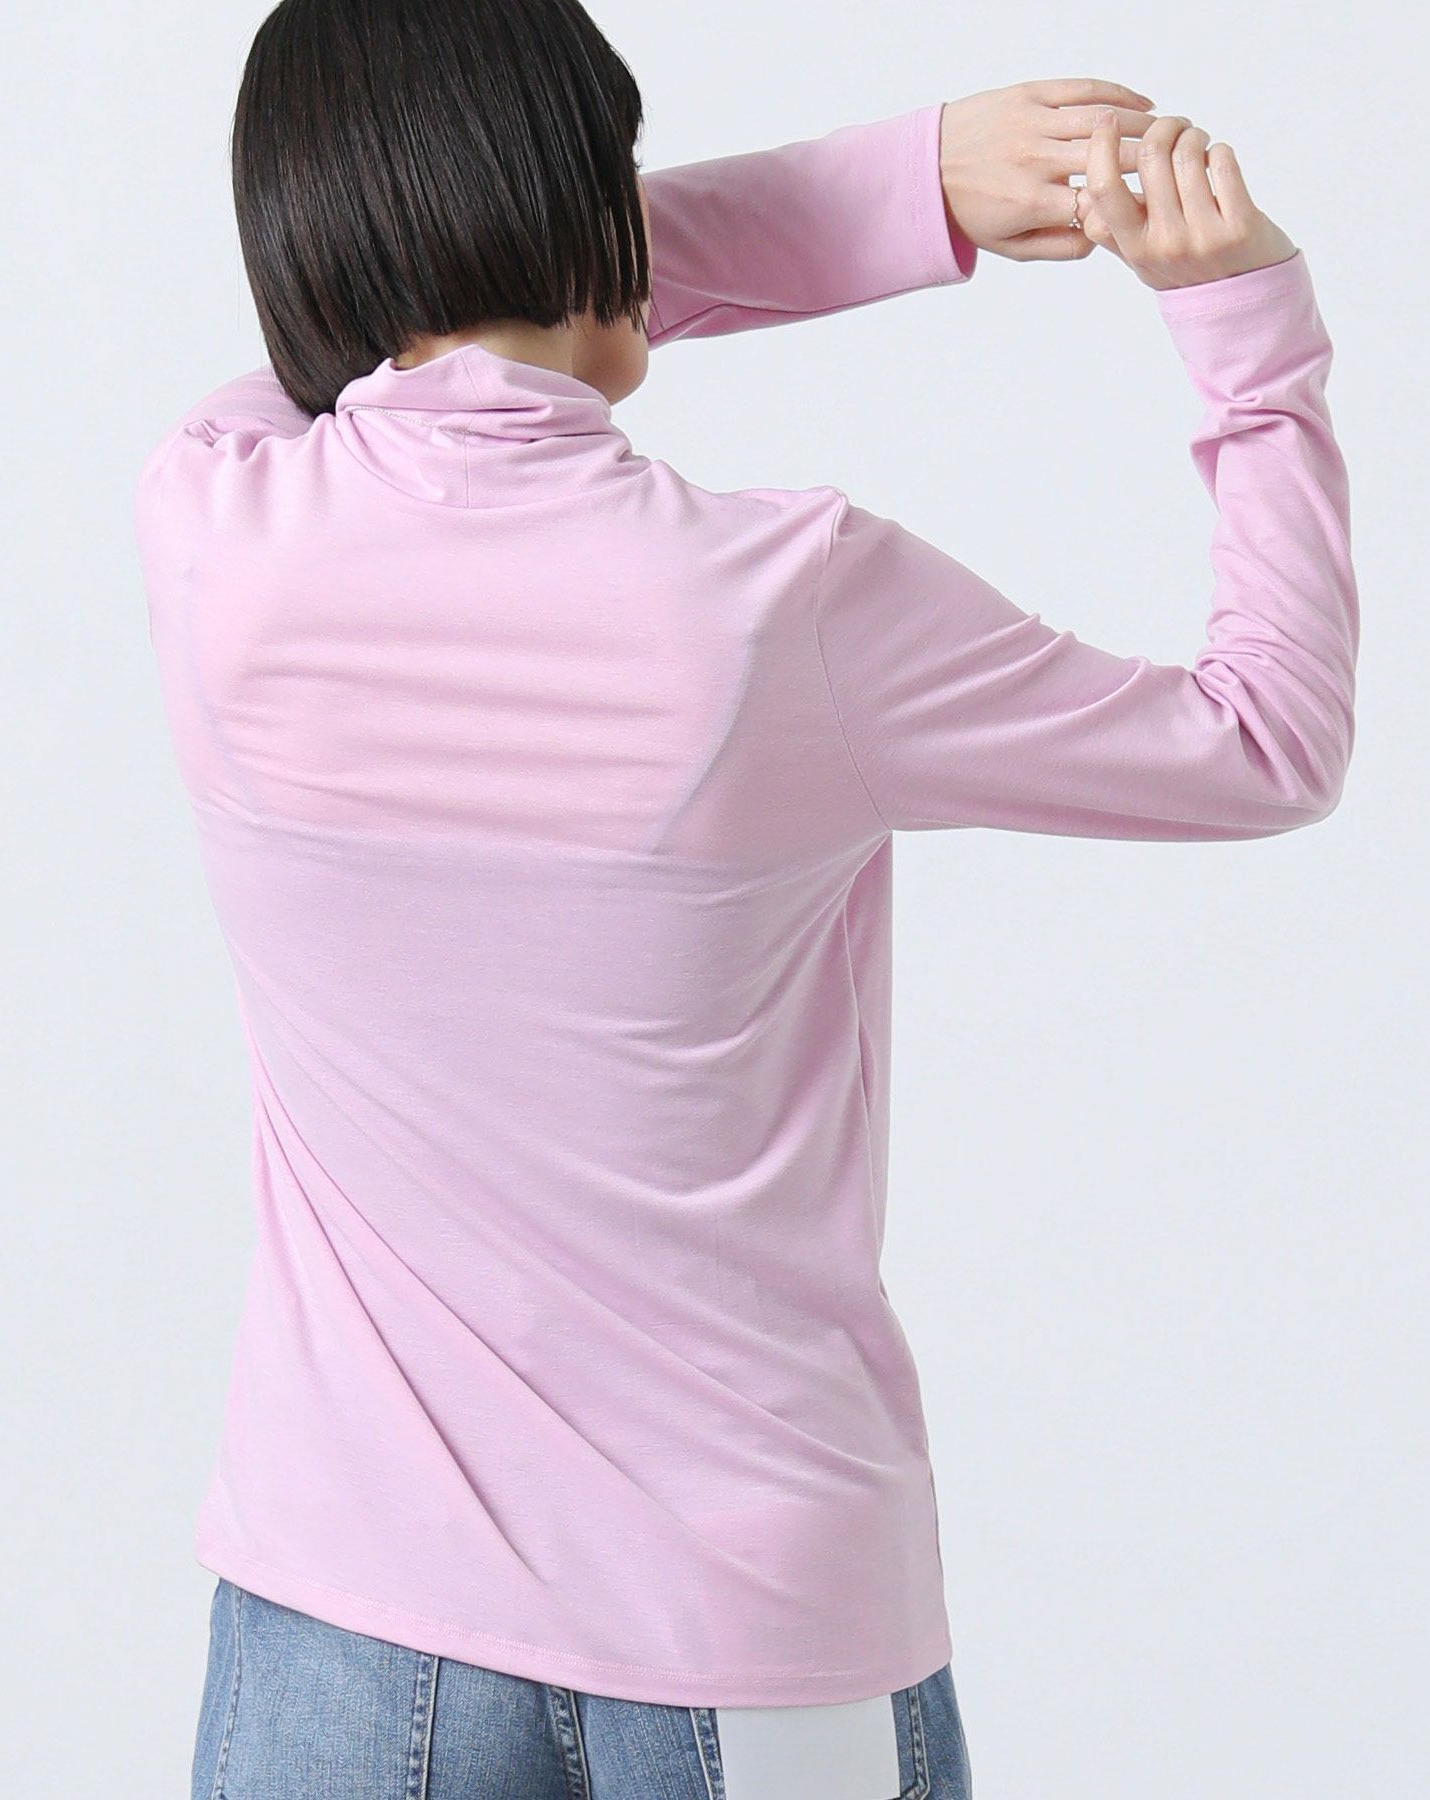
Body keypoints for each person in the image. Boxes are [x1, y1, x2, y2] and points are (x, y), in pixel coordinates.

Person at [133, 1, 1358, 1794]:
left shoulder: (209, 532)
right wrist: (1244, 330)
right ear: (575, 192)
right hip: (753, 1630)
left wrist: (881, 192)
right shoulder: (784, 605)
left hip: (339, 1613)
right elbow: (1267, 743)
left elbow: (395, 353)